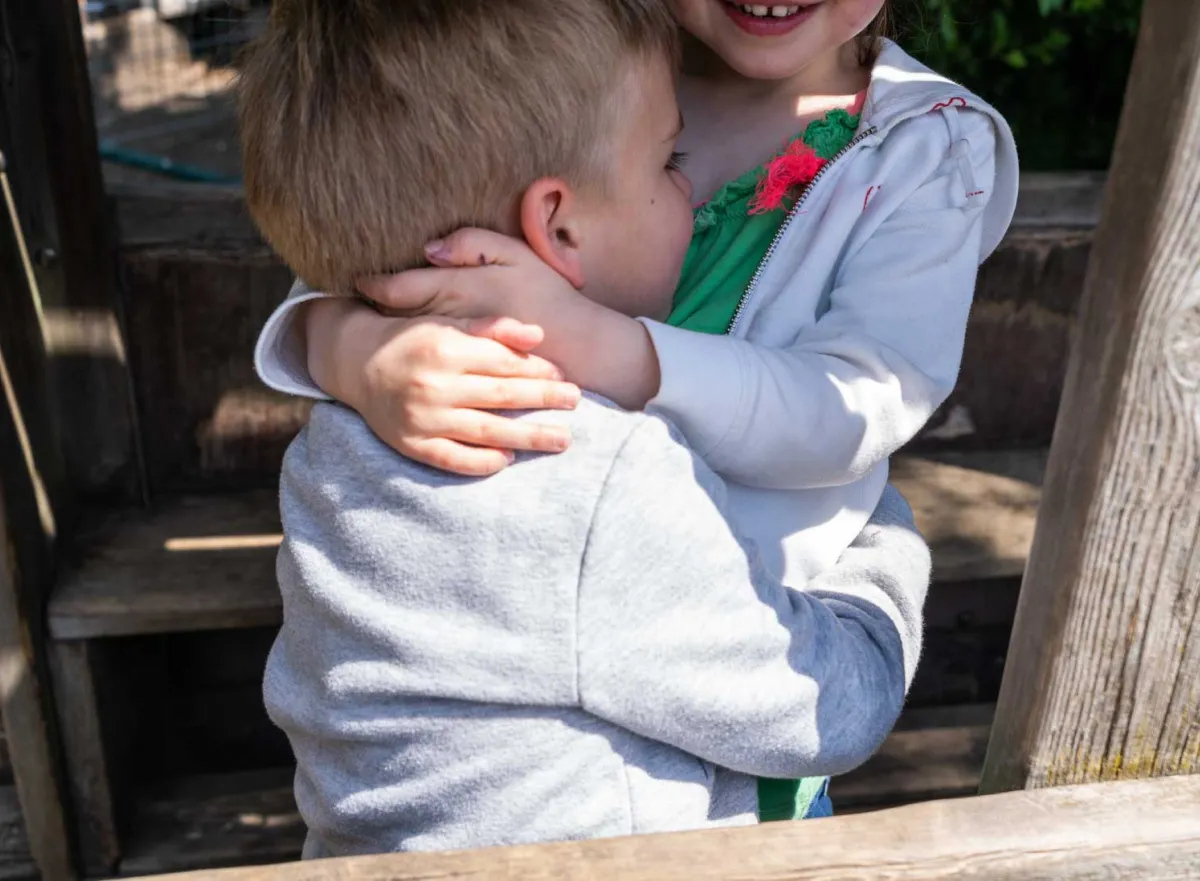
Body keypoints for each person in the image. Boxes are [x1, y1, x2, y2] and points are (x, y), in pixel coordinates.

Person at [252, 0, 1018, 821]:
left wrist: (608, 347)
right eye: (667, 161)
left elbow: (862, 399)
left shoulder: (928, 145)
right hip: (599, 693)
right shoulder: (571, 49)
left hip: (755, 654)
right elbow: (375, 228)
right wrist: (353, 343)